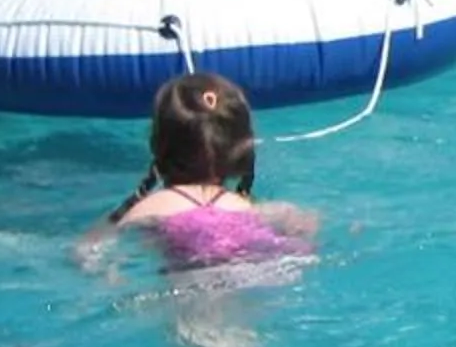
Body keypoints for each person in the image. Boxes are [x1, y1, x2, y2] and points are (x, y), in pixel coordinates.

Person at [102, 71, 321, 270]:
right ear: (243, 148)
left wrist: (108, 271)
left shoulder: (151, 208)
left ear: (158, 145)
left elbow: (92, 252)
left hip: (192, 276)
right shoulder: (246, 207)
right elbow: (306, 225)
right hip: (260, 265)